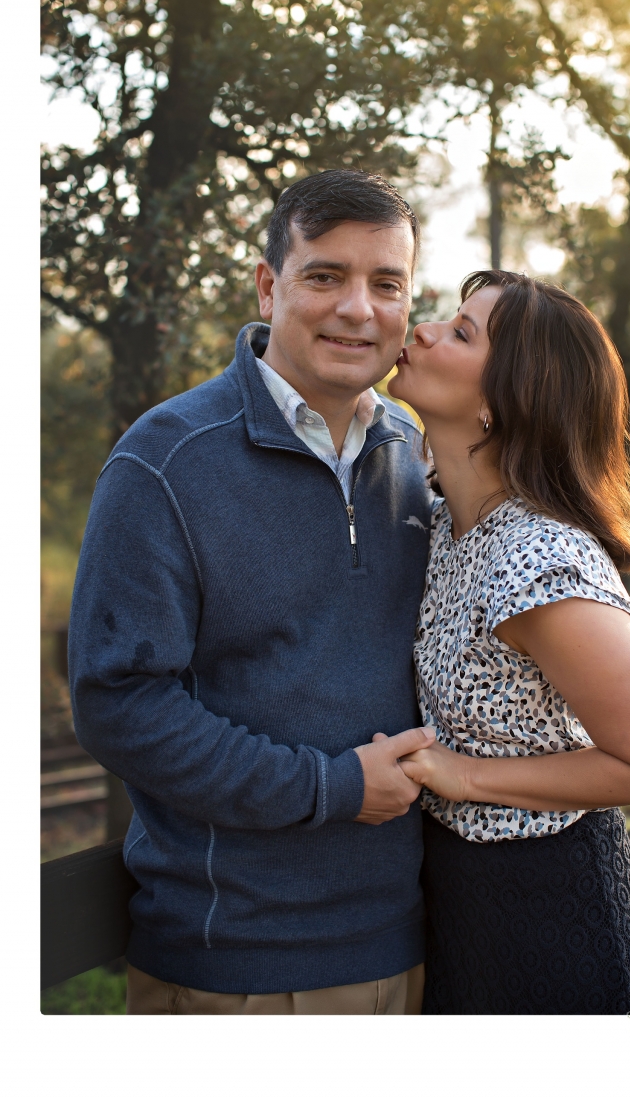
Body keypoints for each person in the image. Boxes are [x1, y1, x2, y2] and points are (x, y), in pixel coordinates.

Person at [68, 169, 437, 1015]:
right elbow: (118, 703)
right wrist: (331, 786)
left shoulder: (416, 452)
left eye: (386, 284)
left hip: (408, 941)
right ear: (270, 286)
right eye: (325, 275)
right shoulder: (164, 462)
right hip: (235, 963)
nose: (358, 308)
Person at [387, 269, 630, 1015]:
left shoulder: (536, 560)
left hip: (554, 922)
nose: (422, 330)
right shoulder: (443, 526)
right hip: (465, 915)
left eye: (461, 332)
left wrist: (465, 775)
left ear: (503, 402)